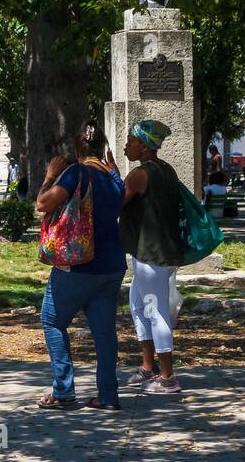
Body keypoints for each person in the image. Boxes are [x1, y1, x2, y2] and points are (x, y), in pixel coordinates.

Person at [36, 122, 127, 411]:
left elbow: (43, 203)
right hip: (112, 264)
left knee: (52, 320)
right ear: (102, 147)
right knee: (104, 333)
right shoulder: (114, 177)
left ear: (78, 149)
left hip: (78, 262)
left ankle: (63, 391)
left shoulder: (76, 172)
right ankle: (108, 396)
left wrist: (51, 175)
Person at [119, 120, 185, 395]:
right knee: (138, 306)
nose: (126, 146)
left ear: (144, 146)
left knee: (155, 312)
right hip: (156, 253)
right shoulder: (166, 170)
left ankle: (168, 377)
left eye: (131, 141)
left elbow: (116, 201)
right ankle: (149, 367)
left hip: (152, 255)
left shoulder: (139, 175)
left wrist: (111, 173)